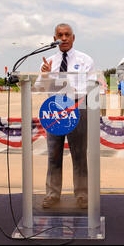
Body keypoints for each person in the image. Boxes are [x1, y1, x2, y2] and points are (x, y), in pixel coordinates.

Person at [39, 23, 94, 209]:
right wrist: (45, 76)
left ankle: (82, 195)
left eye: (67, 35)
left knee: (79, 156)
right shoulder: (48, 63)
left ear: (73, 37)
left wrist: (73, 90)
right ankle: (52, 194)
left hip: (77, 110)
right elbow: (40, 87)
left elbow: (92, 86)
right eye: (60, 35)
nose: (63, 38)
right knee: (53, 156)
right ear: (54, 38)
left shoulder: (85, 60)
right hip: (54, 111)